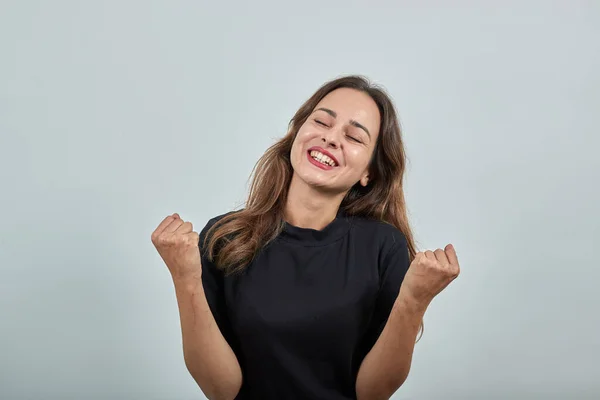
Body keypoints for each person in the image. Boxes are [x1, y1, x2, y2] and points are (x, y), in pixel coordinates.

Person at [151, 75, 460, 400]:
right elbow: (221, 391)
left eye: (354, 137)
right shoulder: (225, 238)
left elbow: (373, 393)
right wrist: (185, 279)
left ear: (368, 172)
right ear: (297, 132)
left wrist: (413, 301)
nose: (331, 139)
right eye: (322, 122)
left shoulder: (385, 247)